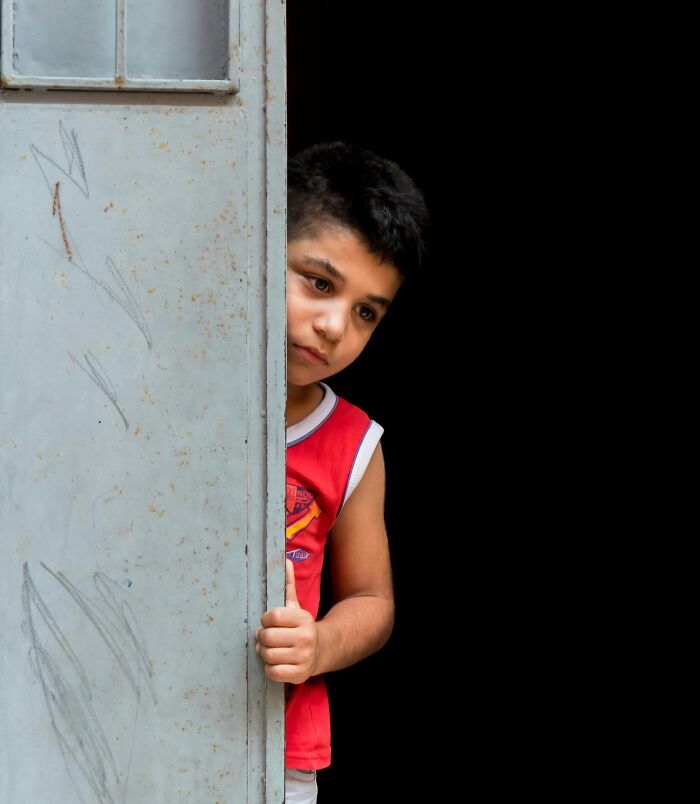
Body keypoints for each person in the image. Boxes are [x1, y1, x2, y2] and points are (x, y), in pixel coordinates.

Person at [255, 141, 429, 803]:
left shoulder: (354, 442)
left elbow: (373, 601)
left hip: (278, 747)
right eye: (319, 282)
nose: (334, 326)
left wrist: (320, 645)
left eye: (366, 313)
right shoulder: (164, 398)